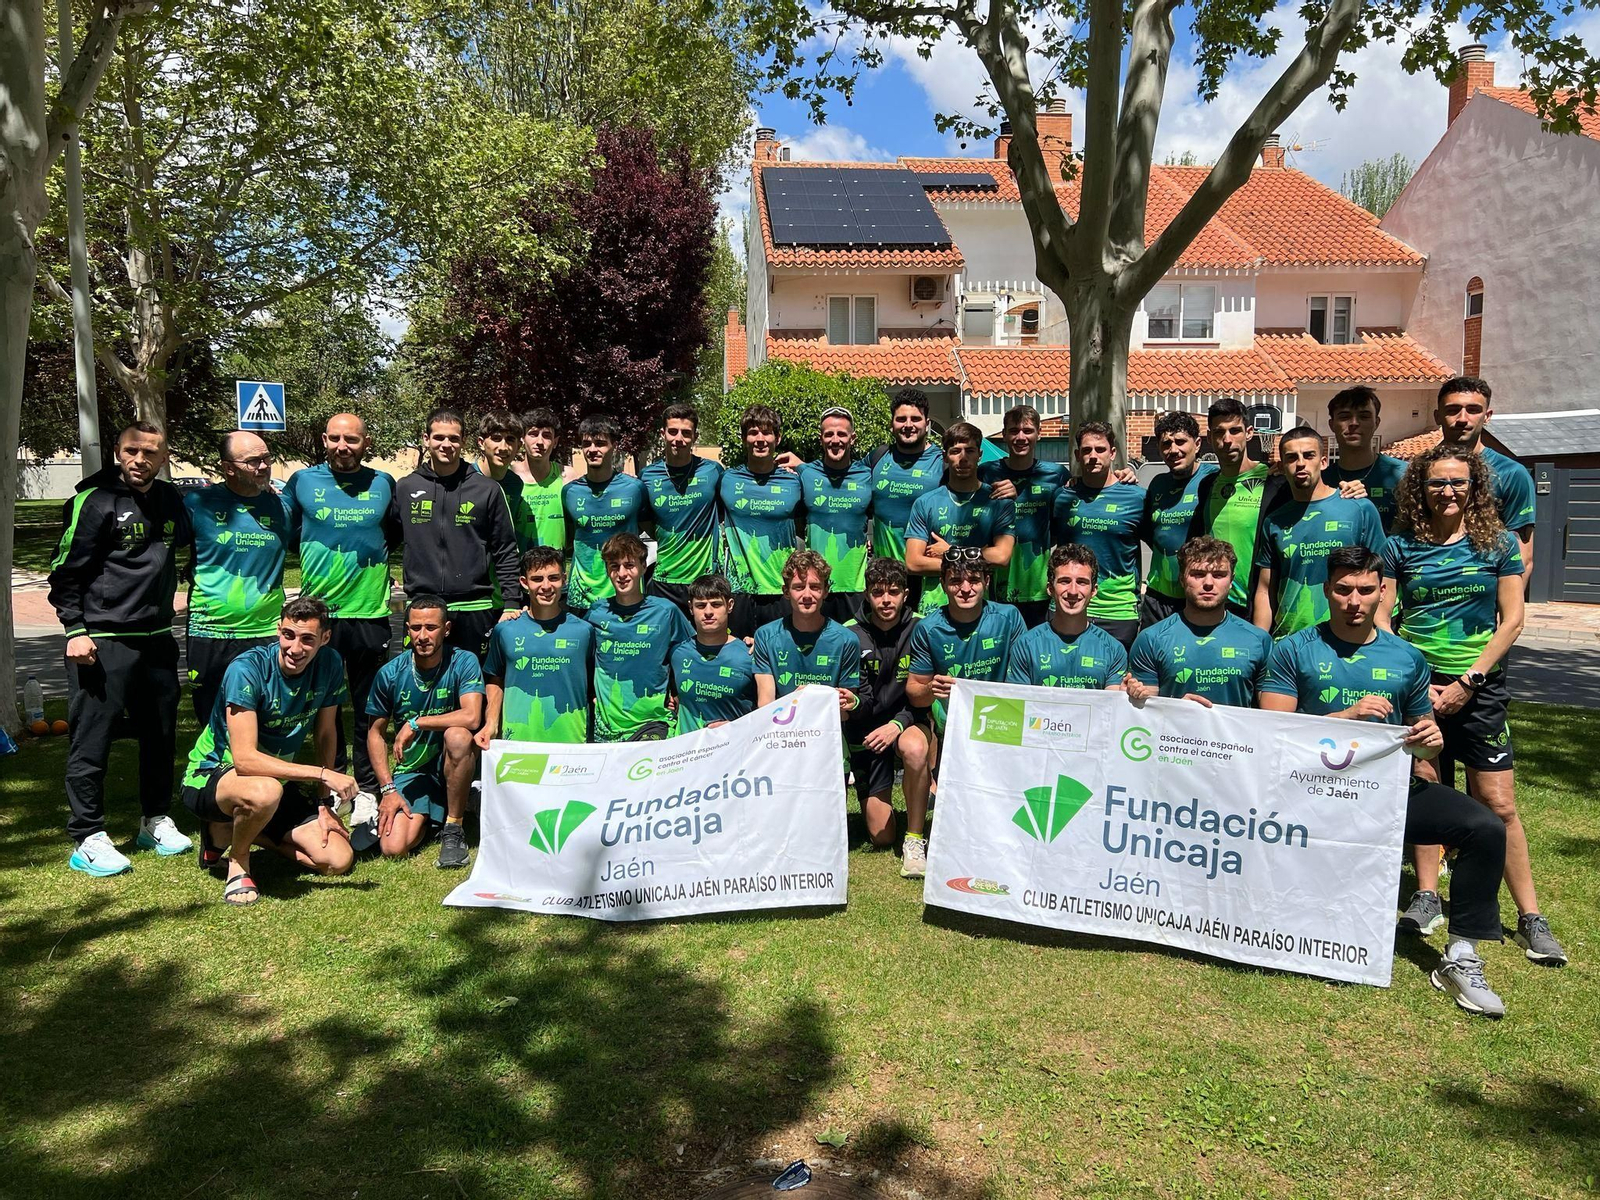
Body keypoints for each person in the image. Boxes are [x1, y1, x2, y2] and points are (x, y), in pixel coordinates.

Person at [1258, 547, 1512, 1017]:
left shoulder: (1407, 658)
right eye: (1343, 589)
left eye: (1365, 590)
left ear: (1383, 594)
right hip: (1309, 792)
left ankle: (1461, 956)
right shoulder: (1292, 649)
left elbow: (1423, 742)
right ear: (1326, 591)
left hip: (1387, 791)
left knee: (1485, 828)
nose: (1354, 600)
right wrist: (1348, 718)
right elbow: (1275, 733)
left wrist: (1430, 739)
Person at [1384, 446, 1565, 965]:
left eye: (1458, 483)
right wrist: (1417, 685)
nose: (1447, 492)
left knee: (1499, 805)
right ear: (1421, 489)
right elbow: (1385, 619)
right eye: (1437, 483)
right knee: (1427, 791)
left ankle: (1530, 916)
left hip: (1479, 686)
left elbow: (1512, 619)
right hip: (1420, 686)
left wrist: (1469, 679)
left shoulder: (1499, 544)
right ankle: (1425, 896)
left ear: (1475, 489)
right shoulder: (1401, 546)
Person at [50, 422, 193, 876]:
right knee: (91, 739)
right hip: (102, 641)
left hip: (157, 640)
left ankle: (154, 819)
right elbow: (64, 572)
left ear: (163, 456)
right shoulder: (94, 501)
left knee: (160, 735)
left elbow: (187, 546)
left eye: (150, 452)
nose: (140, 459)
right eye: (132, 450)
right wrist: (75, 630)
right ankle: (87, 834)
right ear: (118, 451)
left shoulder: (171, 500)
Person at [180, 596, 357, 905]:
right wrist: (324, 774)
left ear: (324, 639)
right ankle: (239, 859)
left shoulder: (329, 664)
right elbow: (245, 760)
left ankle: (224, 833)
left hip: (275, 782)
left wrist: (323, 803)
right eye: (288, 635)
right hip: (212, 775)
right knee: (265, 792)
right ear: (278, 630)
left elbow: (326, 733)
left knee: (337, 860)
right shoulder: (247, 670)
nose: (295, 648)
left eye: (307, 639)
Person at [284, 413, 399, 796]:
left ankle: (366, 787)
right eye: (335, 438)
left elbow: (394, 534)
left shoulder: (384, 483)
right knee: (321, 709)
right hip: (320, 617)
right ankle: (330, 784)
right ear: (324, 439)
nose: (342, 446)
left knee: (369, 709)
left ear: (366, 443)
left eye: (351, 439)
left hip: (370, 613)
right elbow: (284, 533)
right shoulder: (301, 482)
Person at [905, 548, 1026, 877]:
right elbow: (914, 691)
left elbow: (1023, 679)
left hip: (1003, 724)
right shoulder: (928, 628)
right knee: (959, 805)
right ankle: (922, 843)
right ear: (943, 584)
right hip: (953, 728)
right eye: (955, 581)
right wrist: (933, 689)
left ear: (987, 582)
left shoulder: (1008, 618)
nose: (965, 588)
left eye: (974, 580)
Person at [365, 595, 485, 868]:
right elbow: (375, 734)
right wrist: (387, 789)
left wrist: (417, 722)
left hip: (453, 759)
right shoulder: (390, 673)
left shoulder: (463, 661)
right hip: (414, 770)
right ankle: (441, 809)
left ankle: (453, 829)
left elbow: (471, 716)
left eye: (431, 628)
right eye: (415, 628)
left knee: (458, 736)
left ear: (446, 629)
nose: (422, 635)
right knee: (393, 847)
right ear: (406, 629)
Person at [393, 408, 521, 661]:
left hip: (474, 608)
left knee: (476, 686)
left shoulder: (486, 489)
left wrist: (511, 602)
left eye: (453, 438)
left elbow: (505, 549)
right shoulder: (407, 487)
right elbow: (386, 539)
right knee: (423, 687)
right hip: (423, 607)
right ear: (426, 439)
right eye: (439, 437)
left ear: (463, 441)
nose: (446, 444)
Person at [184, 430, 290, 724]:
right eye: (253, 461)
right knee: (211, 719)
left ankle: (260, 770)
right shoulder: (197, 503)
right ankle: (212, 770)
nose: (263, 466)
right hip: (210, 632)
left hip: (266, 631)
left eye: (267, 458)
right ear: (228, 467)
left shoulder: (283, 507)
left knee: (264, 717)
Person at [1251, 426, 1387, 638]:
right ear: (1282, 466)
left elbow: (1383, 576)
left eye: (1308, 455)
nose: (1301, 463)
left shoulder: (1359, 509)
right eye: (1292, 458)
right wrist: (1259, 640)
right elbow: (1265, 589)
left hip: (1347, 638)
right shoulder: (1274, 521)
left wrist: (1381, 632)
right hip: (1290, 639)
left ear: (1323, 462)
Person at [845, 558, 933, 858]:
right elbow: (857, 701)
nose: (885, 600)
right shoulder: (849, 634)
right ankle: (872, 791)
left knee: (914, 748)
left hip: (906, 725)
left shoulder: (922, 629)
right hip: (868, 735)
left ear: (905, 595)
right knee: (881, 836)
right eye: (878, 592)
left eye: (893, 592)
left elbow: (922, 695)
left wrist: (897, 725)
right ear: (867, 594)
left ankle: (915, 835)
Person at [1125, 537, 1274, 708]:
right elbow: (1146, 713)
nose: (1208, 583)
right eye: (1198, 574)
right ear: (1182, 579)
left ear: (1231, 580)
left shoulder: (1258, 640)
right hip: (1174, 734)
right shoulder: (1151, 640)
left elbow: (1271, 718)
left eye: (1219, 575)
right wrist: (1178, 709)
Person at [478, 548, 595, 746]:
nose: (546, 586)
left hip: (572, 743)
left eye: (554, 578)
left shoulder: (584, 631)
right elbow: (495, 678)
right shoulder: (505, 630)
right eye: (537, 579)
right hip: (518, 741)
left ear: (564, 580)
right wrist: (491, 723)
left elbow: (594, 685)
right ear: (524, 582)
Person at [585, 533, 694, 741]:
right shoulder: (595, 612)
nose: (622, 573)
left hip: (653, 722)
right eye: (614, 566)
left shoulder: (665, 611)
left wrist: (678, 691)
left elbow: (694, 651)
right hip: (607, 729)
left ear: (644, 567)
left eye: (629, 565)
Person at [905, 422, 1015, 617]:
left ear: (980, 455)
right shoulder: (925, 503)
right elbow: (913, 562)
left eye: (970, 451)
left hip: (982, 608)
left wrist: (950, 552)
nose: (963, 458)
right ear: (945, 455)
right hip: (934, 609)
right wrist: (976, 559)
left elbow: (1002, 556)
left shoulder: (998, 502)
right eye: (955, 451)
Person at [1053, 422, 1144, 648]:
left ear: (1112, 453)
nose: (1093, 456)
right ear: (1077, 455)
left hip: (1118, 611)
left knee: (1114, 681)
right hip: (1068, 606)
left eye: (1100, 449)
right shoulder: (1062, 497)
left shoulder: (1137, 498)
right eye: (1086, 450)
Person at [1191, 397, 1285, 616]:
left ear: (1249, 433)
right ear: (1209, 438)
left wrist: (1348, 487)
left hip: (1260, 602)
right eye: (1219, 432)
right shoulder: (1207, 484)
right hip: (1216, 600)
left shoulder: (1274, 480)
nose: (1227, 439)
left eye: (1235, 431)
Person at [1436, 375, 1536, 577]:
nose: (1463, 418)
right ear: (1437, 416)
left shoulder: (1511, 473)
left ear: (1487, 416)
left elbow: (1523, 555)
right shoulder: (1418, 471)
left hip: (1483, 595)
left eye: (1473, 410)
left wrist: (1506, 607)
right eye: (1453, 410)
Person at [721, 404, 805, 637]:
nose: (760, 439)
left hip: (782, 590)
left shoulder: (795, 483)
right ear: (744, 438)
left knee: (780, 663)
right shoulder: (726, 479)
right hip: (738, 592)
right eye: (753, 432)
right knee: (739, 662)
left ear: (777, 438)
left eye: (767, 432)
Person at [979, 404, 1065, 629]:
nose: (1021, 437)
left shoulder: (1056, 475)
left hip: (1038, 589)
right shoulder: (986, 472)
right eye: (1014, 430)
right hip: (994, 586)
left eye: (1027, 431)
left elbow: (1087, 491)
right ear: (1004, 434)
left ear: (1039, 433)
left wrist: (1123, 474)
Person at [752, 550, 861, 714]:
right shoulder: (765, 636)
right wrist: (797, 701)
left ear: (826, 591)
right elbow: (765, 706)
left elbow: (844, 714)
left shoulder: (847, 640)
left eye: (815, 587)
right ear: (786, 592)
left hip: (826, 730)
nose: (807, 595)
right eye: (799, 587)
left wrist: (811, 697)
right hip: (781, 728)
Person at [1006, 545, 1129, 689]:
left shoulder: (1113, 649)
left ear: (1094, 590)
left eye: (1082, 582)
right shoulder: (1026, 645)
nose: (1073, 591)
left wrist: (1125, 694)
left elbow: (1111, 705)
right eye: (1065, 581)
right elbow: (1018, 704)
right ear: (1050, 588)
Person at [640, 404, 723, 616]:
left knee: (705, 645)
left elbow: (723, 513)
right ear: (663, 434)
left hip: (704, 581)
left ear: (695, 436)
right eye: (673, 431)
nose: (679, 439)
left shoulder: (713, 471)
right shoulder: (647, 477)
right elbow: (646, 524)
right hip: (664, 582)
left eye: (686, 433)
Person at [1138, 412, 1218, 628]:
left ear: (1198, 443)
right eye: (1166, 444)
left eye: (1181, 442)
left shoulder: (1214, 479)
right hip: (1157, 596)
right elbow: (1148, 532)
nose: (1174, 450)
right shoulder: (1157, 484)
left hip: (1197, 595)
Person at [563, 414, 648, 613]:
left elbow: (649, 530)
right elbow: (568, 539)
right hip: (581, 595)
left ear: (614, 445)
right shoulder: (569, 492)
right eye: (587, 444)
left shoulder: (635, 488)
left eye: (600, 443)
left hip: (625, 592)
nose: (592, 450)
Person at [798, 406, 874, 623]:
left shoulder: (867, 475)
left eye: (842, 434)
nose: (835, 439)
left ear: (853, 438)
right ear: (820, 438)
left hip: (856, 586)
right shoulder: (805, 474)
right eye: (829, 434)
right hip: (815, 586)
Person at [868, 388, 946, 568]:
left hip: (929, 580)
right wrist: (802, 467)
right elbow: (843, 478)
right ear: (891, 423)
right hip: (885, 579)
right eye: (901, 419)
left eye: (916, 419)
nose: (908, 425)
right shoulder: (877, 458)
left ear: (927, 424)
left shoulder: (943, 463)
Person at [670, 574, 758, 732]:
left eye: (716, 604)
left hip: (734, 750)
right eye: (701, 605)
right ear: (690, 607)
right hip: (687, 752)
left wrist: (737, 728)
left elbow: (768, 712)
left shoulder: (750, 654)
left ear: (730, 605)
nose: (708, 612)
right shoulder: (677, 653)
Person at [1323, 386, 1407, 534]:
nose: (1354, 423)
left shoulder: (1404, 476)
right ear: (1332, 425)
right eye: (1344, 416)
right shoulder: (1321, 481)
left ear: (1377, 423)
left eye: (1364, 416)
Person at [511, 407, 568, 552]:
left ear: (555, 442)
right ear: (522, 439)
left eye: (547, 435)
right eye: (533, 434)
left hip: (554, 571)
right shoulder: (508, 478)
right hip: (516, 570)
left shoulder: (568, 477)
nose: (540, 442)